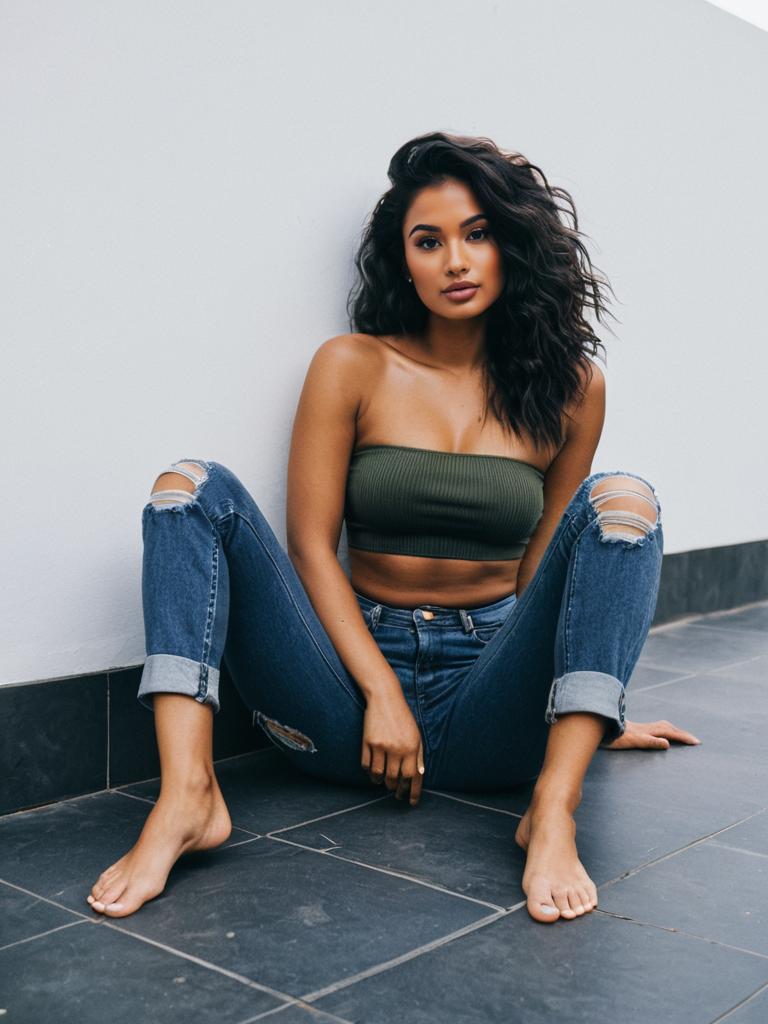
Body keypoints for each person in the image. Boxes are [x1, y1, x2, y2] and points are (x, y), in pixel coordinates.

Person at [87, 131, 699, 924]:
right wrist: (379, 689)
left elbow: (548, 569)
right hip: (342, 700)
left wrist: (589, 707)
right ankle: (187, 797)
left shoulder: (572, 389)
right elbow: (311, 543)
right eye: (428, 240)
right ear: (402, 260)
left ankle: (552, 809)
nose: (455, 259)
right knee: (186, 491)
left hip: (491, 708)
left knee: (625, 499)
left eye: (477, 234)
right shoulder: (352, 365)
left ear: (510, 245)